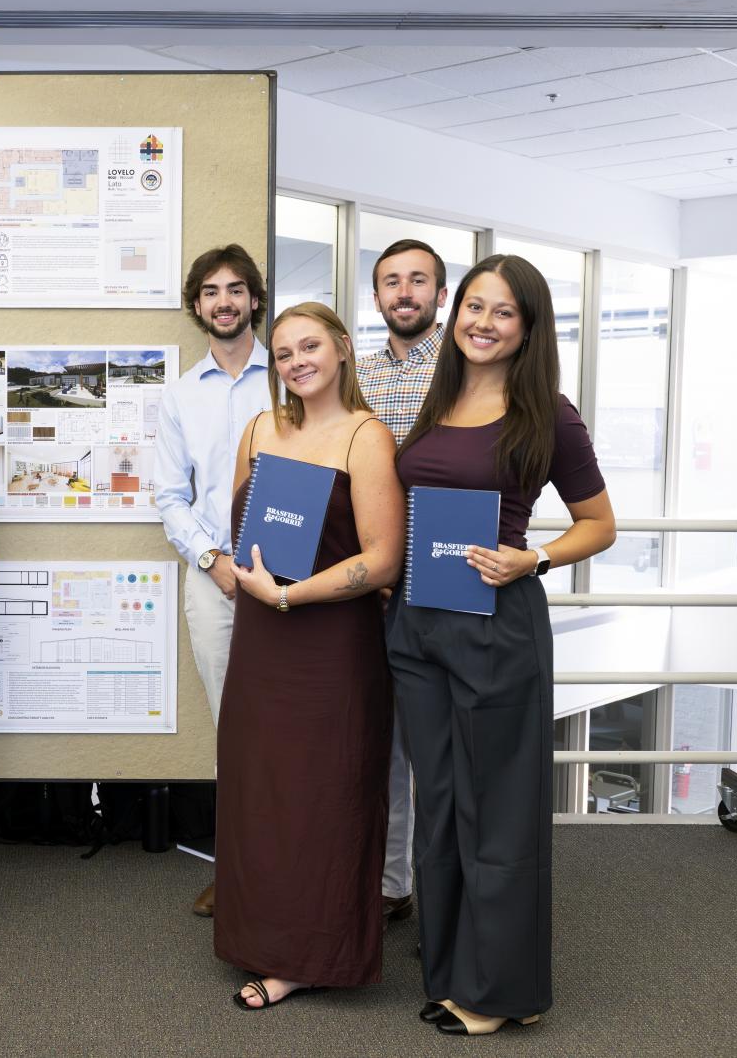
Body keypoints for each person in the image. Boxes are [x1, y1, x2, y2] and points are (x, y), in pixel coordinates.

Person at [389, 254, 615, 1035]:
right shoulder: (438, 396)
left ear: (529, 326)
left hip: (495, 623)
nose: (482, 322)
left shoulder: (548, 413)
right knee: (440, 802)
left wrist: (535, 557)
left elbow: (599, 524)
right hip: (417, 623)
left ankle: (499, 992)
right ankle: (453, 969)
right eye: (473, 307)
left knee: (498, 808)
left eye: (503, 312)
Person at [214, 301, 404, 1009]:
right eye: (284, 352)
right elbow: (239, 532)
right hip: (261, 641)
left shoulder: (367, 437)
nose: (296, 361)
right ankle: (259, 938)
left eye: (310, 346)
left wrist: (290, 597)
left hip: (331, 647)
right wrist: (242, 576)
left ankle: (309, 953)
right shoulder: (261, 427)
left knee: (324, 798)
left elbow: (384, 560)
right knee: (260, 791)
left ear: (344, 349)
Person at [155, 243, 269, 918]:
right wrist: (212, 560)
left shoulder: (285, 375)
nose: (224, 301)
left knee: (288, 721)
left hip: (289, 577)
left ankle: (292, 866)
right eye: (211, 291)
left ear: (255, 298)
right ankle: (240, 873)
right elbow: (170, 495)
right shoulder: (179, 394)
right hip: (214, 573)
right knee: (234, 726)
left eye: (236, 289)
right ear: (196, 305)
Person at [355, 239, 450, 923]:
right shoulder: (356, 374)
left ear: (440, 295)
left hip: (441, 585)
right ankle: (392, 886)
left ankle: (448, 892)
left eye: (419, 280)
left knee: (440, 753)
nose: (405, 290)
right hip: (371, 589)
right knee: (378, 743)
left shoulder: (466, 367)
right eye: (392, 281)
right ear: (378, 296)